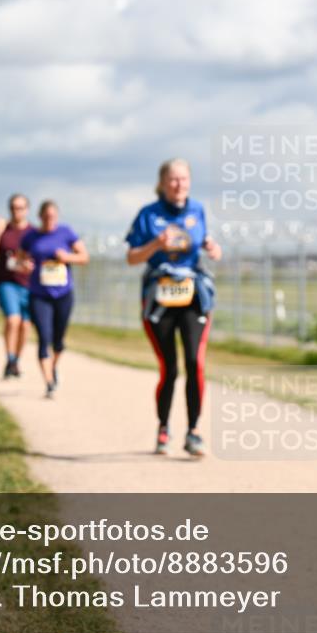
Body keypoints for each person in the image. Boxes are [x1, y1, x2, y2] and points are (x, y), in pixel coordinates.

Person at [125, 158, 222, 457]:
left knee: (195, 363)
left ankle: (193, 432)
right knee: (170, 367)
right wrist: (156, 244)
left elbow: (204, 242)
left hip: (193, 295)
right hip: (160, 297)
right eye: (173, 179)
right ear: (162, 183)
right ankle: (163, 427)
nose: (179, 184)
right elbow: (132, 258)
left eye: (184, 179)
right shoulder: (148, 215)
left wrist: (213, 248)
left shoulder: (198, 211)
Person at [18, 200, 88, 399]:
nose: (50, 220)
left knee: (58, 341)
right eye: (46, 216)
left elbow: (84, 257)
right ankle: (49, 382)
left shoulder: (66, 233)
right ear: (40, 217)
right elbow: (20, 259)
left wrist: (67, 257)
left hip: (63, 294)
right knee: (44, 337)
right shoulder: (31, 236)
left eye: (53, 217)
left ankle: (53, 366)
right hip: (39, 295)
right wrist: (25, 264)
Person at [0, 194, 32, 379]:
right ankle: (10, 358)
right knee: (13, 320)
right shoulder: (3, 230)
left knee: (25, 325)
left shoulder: (33, 232)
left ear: (27, 209)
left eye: (20, 207)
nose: (16, 211)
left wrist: (30, 265)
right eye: (13, 207)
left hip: (28, 284)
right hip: (6, 282)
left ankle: (16, 361)